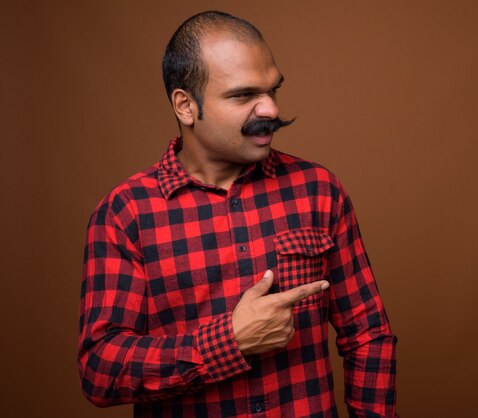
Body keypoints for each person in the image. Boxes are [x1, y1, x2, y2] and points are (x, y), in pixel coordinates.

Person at [78, 10, 397, 417]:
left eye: (272, 91)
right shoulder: (125, 215)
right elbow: (100, 371)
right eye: (244, 95)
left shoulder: (318, 190)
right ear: (186, 106)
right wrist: (228, 341)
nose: (268, 109)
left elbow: (368, 334)